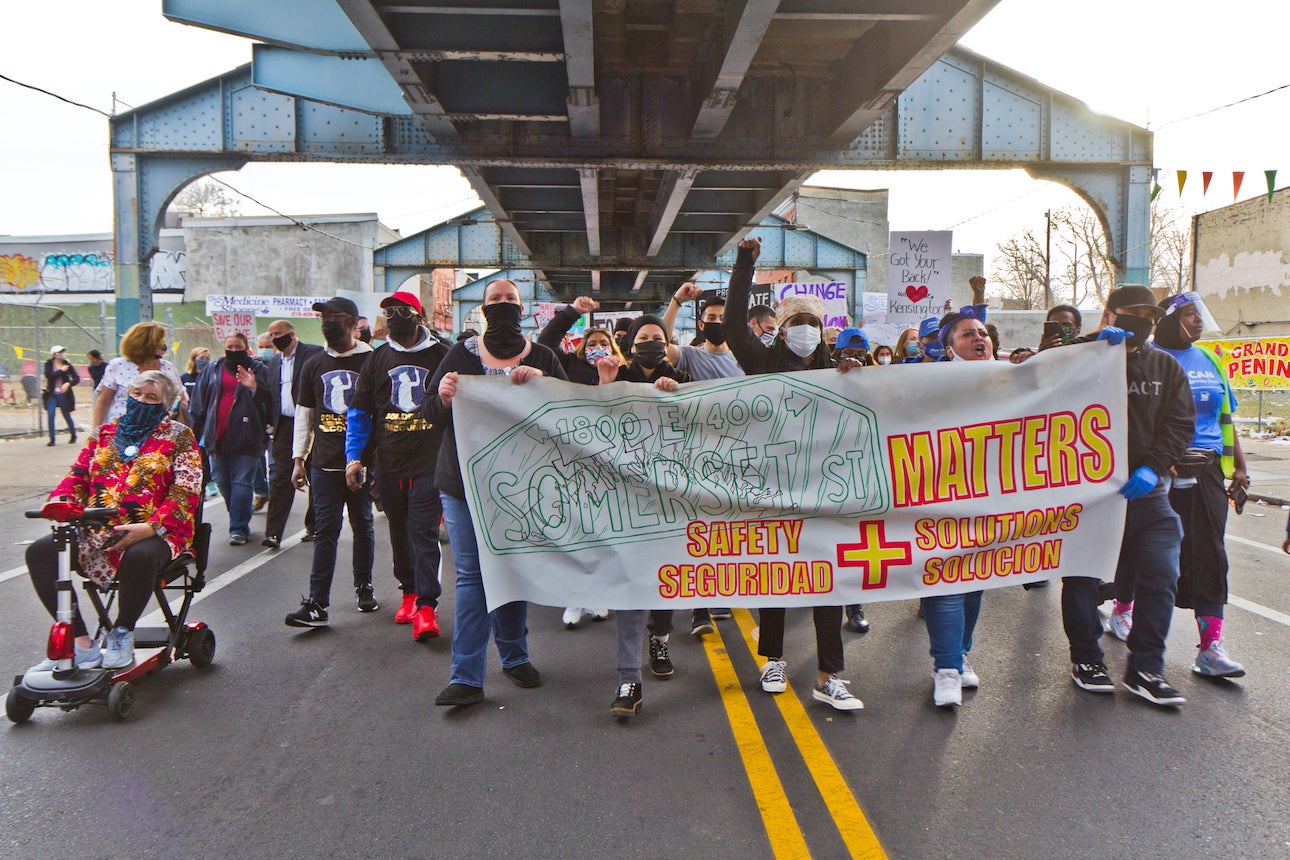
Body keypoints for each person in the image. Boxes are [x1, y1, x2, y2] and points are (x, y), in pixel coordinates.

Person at [723, 236, 863, 712]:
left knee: (827, 579)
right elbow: (731, 318)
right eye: (796, 322)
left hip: (824, 493)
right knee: (777, 575)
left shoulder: (837, 369)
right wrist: (745, 264)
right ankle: (774, 658)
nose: (804, 329)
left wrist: (857, 373)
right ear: (781, 331)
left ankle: (829, 675)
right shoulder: (761, 363)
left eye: (811, 323)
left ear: (822, 331)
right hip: (773, 488)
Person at [425, 278, 564, 707]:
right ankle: (466, 676)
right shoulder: (459, 354)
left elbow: (569, 415)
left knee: (510, 570)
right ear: (482, 310)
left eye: (510, 300)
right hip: (463, 484)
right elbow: (428, 411)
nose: (502, 305)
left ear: (523, 309)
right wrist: (445, 397)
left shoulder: (542, 356)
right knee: (471, 578)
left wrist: (544, 383)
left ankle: (514, 654)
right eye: (494, 300)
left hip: (517, 486)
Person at [1060, 284, 1195, 706]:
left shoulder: (1165, 367)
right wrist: (1089, 348)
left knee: (1162, 575)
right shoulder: (1080, 355)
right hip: (1089, 492)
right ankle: (1087, 658)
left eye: (1151, 316)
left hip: (1147, 492)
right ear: (1111, 313)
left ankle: (1146, 667)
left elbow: (1179, 422)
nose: (1146, 321)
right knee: (1082, 575)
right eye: (1135, 312)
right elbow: (1035, 383)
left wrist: (1152, 466)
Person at [26, 370, 201, 671]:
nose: (140, 401)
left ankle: (122, 632)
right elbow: (77, 476)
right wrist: (62, 501)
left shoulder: (179, 436)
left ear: (165, 405)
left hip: (158, 533)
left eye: (151, 398)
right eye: (136, 394)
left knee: (140, 555)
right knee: (40, 552)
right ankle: (81, 643)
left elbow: (186, 491)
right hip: (98, 530)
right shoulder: (103, 434)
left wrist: (149, 528)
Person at [1149, 292, 1248, 678]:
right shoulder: (1150, 357)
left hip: (1206, 470)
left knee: (1210, 554)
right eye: (1190, 315)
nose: (1198, 322)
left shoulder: (1209, 359)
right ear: (1171, 318)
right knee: (1149, 552)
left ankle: (1210, 648)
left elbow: (1226, 415)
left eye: (1199, 315)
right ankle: (1124, 609)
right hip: (1159, 468)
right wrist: (1159, 457)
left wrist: (1239, 467)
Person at [345, 291, 450, 638]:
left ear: (418, 316)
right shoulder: (376, 360)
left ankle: (426, 606)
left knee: (422, 531)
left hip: (430, 463)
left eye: (402, 311)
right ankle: (408, 592)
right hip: (388, 464)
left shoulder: (444, 354)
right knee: (398, 531)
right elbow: (360, 413)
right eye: (389, 312)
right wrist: (354, 458)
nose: (394, 316)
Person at [660, 284, 748, 639]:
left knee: (726, 532)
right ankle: (699, 608)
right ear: (700, 323)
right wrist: (676, 300)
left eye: (722, 318)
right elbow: (658, 342)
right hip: (695, 457)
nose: (716, 322)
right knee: (699, 532)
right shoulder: (691, 356)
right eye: (710, 318)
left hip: (735, 458)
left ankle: (719, 591)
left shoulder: (744, 359)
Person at [284, 298, 377, 627]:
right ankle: (316, 602)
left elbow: (379, 414)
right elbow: (304, 416)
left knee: (363, 525)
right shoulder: (313, 363)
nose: (327, 322)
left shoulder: (371, 359)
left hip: (362, 463)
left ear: (353, 322)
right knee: (326, 530)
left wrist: (374, 460)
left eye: (335, 317)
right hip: (323, 464)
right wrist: (298, 459)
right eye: (323, 317)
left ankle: (364, 586)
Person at [921, 305, 995, 708]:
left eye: (982, 332)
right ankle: (946, 668)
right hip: (942, 497)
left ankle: (960, 654)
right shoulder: (930, 382)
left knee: (975, 582)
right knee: (947, 580)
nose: (978, 338)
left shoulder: (1015, 378)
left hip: (990, 499)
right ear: (948, 348)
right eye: (967, 334)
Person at [536, 295, 616, 630]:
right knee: (573, 530)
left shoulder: (623, 372)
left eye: (604, 342)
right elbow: (545, 342)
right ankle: (574, 595)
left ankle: (597, 592)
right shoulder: (569, 367)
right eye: (592, 342)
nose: (597, 347)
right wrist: (572, 313)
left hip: (611, 464)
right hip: (570, 459)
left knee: (603, 532)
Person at [188, 332, 272, 545]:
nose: (234, 350)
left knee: (241, 482)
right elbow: (199, 402)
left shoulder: (259, 369)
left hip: (248, 436)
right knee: (221, 481)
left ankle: (238, 528)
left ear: (246, 347)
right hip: (216, 436)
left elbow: (271, 399)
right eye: (230, 347)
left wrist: (253, 386)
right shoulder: (213, 369)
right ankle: (239, 512)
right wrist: (196, 429)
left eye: (238, 347)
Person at [262, 320, 323, 549]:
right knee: (280, 478)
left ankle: (314, 526)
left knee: (315, 473)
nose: (274, 337)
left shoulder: (313, 353)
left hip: (311, 423)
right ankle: (274, 533)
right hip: (285, 426)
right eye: (271, 334)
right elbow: (271, 395)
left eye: (278, 333)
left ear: (292, 334)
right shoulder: (275, 361)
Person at [92, 321, 186, 431]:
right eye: (160, 341)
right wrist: (95, 434)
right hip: (121, 431)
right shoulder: (117, 365)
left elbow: (181, 399)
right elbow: (103, 402)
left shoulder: (168, 368)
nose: (163, 345)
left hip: (159, 435)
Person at [44, 347, 79, 446]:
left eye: (63, 352)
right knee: (51, 415)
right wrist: (61, 370)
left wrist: (68, 384)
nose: (62, 354)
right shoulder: (49, 364)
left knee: (66, 414)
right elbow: (49, 375)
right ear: (54, 354)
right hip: (52, 394)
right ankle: (52, 438)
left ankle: (73, 434)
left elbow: (76, 378)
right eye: (60, 352)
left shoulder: (67, 364)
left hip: (63, 394)